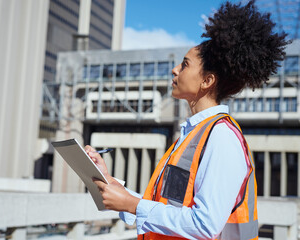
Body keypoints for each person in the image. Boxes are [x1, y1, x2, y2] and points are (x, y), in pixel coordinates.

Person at [85, 1, 289, 239]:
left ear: (207, 81)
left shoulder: (221, 138)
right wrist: (111, 184)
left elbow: (205, 225)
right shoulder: (194, 135)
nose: (174, 69)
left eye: (185, 64)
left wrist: (132, 204)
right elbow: (169, 208)